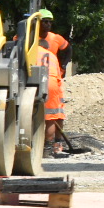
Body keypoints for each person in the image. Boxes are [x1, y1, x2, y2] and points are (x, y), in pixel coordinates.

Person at [35, 10, 71, 157]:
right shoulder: (50, 55)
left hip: (40, 78)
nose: (48, 24)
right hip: (51, 78)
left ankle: (53, 146)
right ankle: (51, 148)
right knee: (54, 115)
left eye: (50, 21)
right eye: (45, 21)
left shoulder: (55, 39)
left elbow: (68, 49)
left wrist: (63, 66)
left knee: (52, 116)